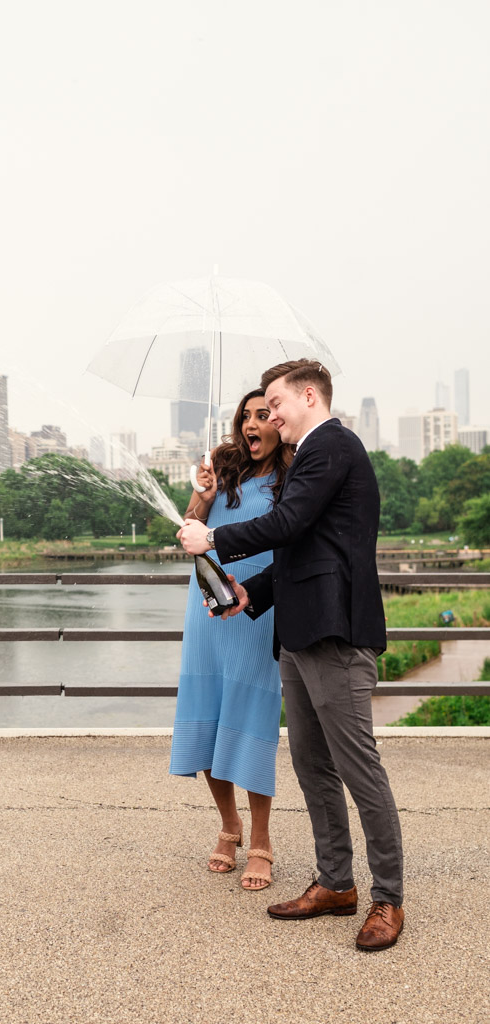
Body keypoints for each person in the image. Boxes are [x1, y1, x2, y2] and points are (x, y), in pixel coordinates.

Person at [178, 359, 405, 952]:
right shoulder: (310, 455)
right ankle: (335, 882)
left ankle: (388, 898)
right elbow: (302, 547)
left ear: (309, 395)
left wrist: (214, 538)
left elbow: (289, 521)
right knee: (312, 766)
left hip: (336, 633)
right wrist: (254, 594)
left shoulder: (332, 446)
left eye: (275, 402)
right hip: (299, 633)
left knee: (360, 770)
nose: (270, 414)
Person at [170, 389, 292, 890]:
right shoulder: (221, 467)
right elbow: (188, 534)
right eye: (245, 415)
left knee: (251, 719)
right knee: (209, 716)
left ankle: (260, 840)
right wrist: (202, 492)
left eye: (263, 415)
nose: (251, 424)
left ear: (279, 422)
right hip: (207, 607)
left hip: (259, 609)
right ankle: (229, 825)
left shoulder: (293, 474)